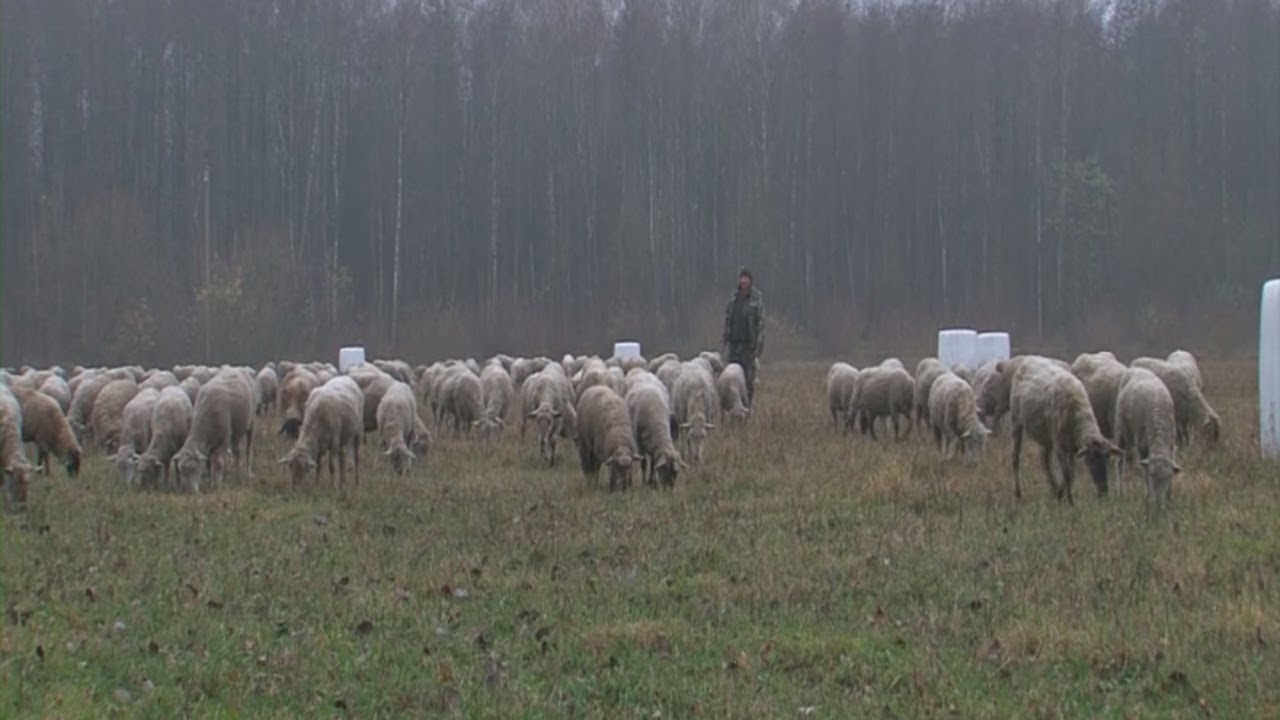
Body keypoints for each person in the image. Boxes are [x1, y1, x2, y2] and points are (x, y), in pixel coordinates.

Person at [721, 266, 765, 407]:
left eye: (746, 278)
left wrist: (758, 344)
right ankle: (734, 407)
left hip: (748, 345)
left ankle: (747, 409)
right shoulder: (734, 298)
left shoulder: (756, 298)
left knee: (748, 380)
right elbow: (728, 318)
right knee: (732, 378)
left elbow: (761, 322)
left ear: (750, 281)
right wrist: (725, 338)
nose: (744, 281)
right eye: (742, 278)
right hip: (734, 344)